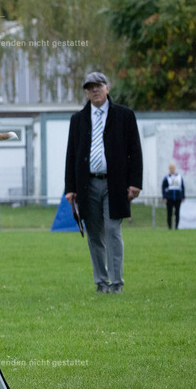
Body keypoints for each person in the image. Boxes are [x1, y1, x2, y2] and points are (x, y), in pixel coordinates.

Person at [64, 72, 142, 294]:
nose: (94, 90)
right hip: (86, 185)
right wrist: (70, 188)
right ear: (86, 93)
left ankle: (116, 282)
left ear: (107, 88)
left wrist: (135, 183)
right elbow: (71, 155)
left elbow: (135, 151)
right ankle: (101, 282)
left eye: (98, 86)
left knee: (112, 229)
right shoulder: (78, 120)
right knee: (94, 234)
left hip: (115, 184)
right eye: (89, 87)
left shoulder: (124, 116)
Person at [162, 162, 185, 230]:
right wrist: (164, 197)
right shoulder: (166, 178)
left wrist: (183, 196)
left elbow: (182, 187)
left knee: (177, 213)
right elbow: (163, 188)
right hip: (169, 198)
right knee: (169, 213)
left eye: (173, 168)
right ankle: (169, 227)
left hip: (178, 197)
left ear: (175, 168)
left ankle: (176, 227)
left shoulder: (179, 177)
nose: (172, 169)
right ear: (169, 169)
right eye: (170, 168)